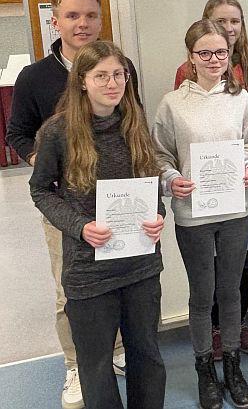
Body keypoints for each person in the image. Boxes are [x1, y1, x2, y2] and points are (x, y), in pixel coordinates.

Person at [7, 0, 140, 409]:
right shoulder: (35, 77)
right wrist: (46, 162)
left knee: (123, 281)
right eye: (72, 16)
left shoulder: (121, 67)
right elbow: (17, 133)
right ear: (55, 20)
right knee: (71, 289)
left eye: (90, 16)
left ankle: (112, 353)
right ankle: (74, 363)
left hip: (119, 203)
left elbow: (132, 122)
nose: (82, 24)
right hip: (68, 209)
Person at [29, 40, 165, 409]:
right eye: (101, 75)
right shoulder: (57, 132)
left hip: (140, 266)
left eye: (118, 74)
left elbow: (150, 183)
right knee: (96, 365)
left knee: (147, 357)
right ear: (82, 81)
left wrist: (158, 218)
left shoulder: (135, 123)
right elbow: (40, 191)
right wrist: (79, 226)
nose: (112, 83)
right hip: (89, 273)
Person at [152, 20, 248, 409]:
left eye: (221, 52)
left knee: (230, 291)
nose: (214, 59)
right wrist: (171, 179)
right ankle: (204, 368)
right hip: (193, 215)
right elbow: (161, 156)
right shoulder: (172, 104)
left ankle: (231, 364)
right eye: (204, 53)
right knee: (203, 295)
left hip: (234, 211)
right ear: (191, 57)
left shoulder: (241, 99)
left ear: (229, 54)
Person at [173, 0, 248, 359]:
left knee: (238, 257)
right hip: (200, 191)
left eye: (235, 22)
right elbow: (183, 130)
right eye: (221, 21)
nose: (229, 29)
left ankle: (236, 323)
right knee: (205, 265)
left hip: (239, 184)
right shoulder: (186, 75)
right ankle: (211, 327)